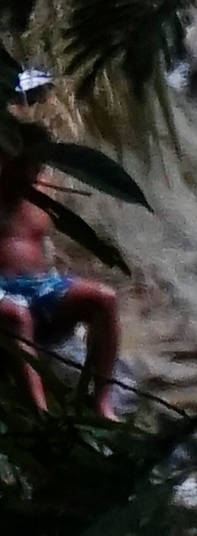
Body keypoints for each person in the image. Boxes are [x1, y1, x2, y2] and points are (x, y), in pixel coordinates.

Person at [0, 86, 120, 412]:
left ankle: (103, 402)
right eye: (26, 165)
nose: (34, 174)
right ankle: (40, 414)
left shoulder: (43, 191)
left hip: (40, 287)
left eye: (38, 167)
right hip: (2, 295)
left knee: (105, 298)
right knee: (15, 314)